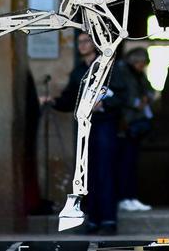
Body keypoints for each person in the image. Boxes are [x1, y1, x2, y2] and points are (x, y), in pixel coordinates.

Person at [47, 32, 120, 234]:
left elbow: (123, 96)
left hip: (104, 125)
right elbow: (70, 97)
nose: (82, 45)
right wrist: (52, 102)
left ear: (95, 44)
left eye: (86, 41)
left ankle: (108, 221)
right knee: (87, 173)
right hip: (84, 126)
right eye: (79, 42)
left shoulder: (111, 67)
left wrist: (104, 104)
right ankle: (93, 219)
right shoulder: (79, 71)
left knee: (105, 172)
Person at [111, 48, 154, 213]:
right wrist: (136, 103)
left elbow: (149, 89)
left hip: (136, 123)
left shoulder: (139, 75)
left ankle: (130, 197)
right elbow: (123, 95)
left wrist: (147, 98)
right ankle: (124, 198)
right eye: (140, 63)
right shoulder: (122, 72)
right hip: (125, 124)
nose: (142, 67)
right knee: (124, 163)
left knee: (131, 162)